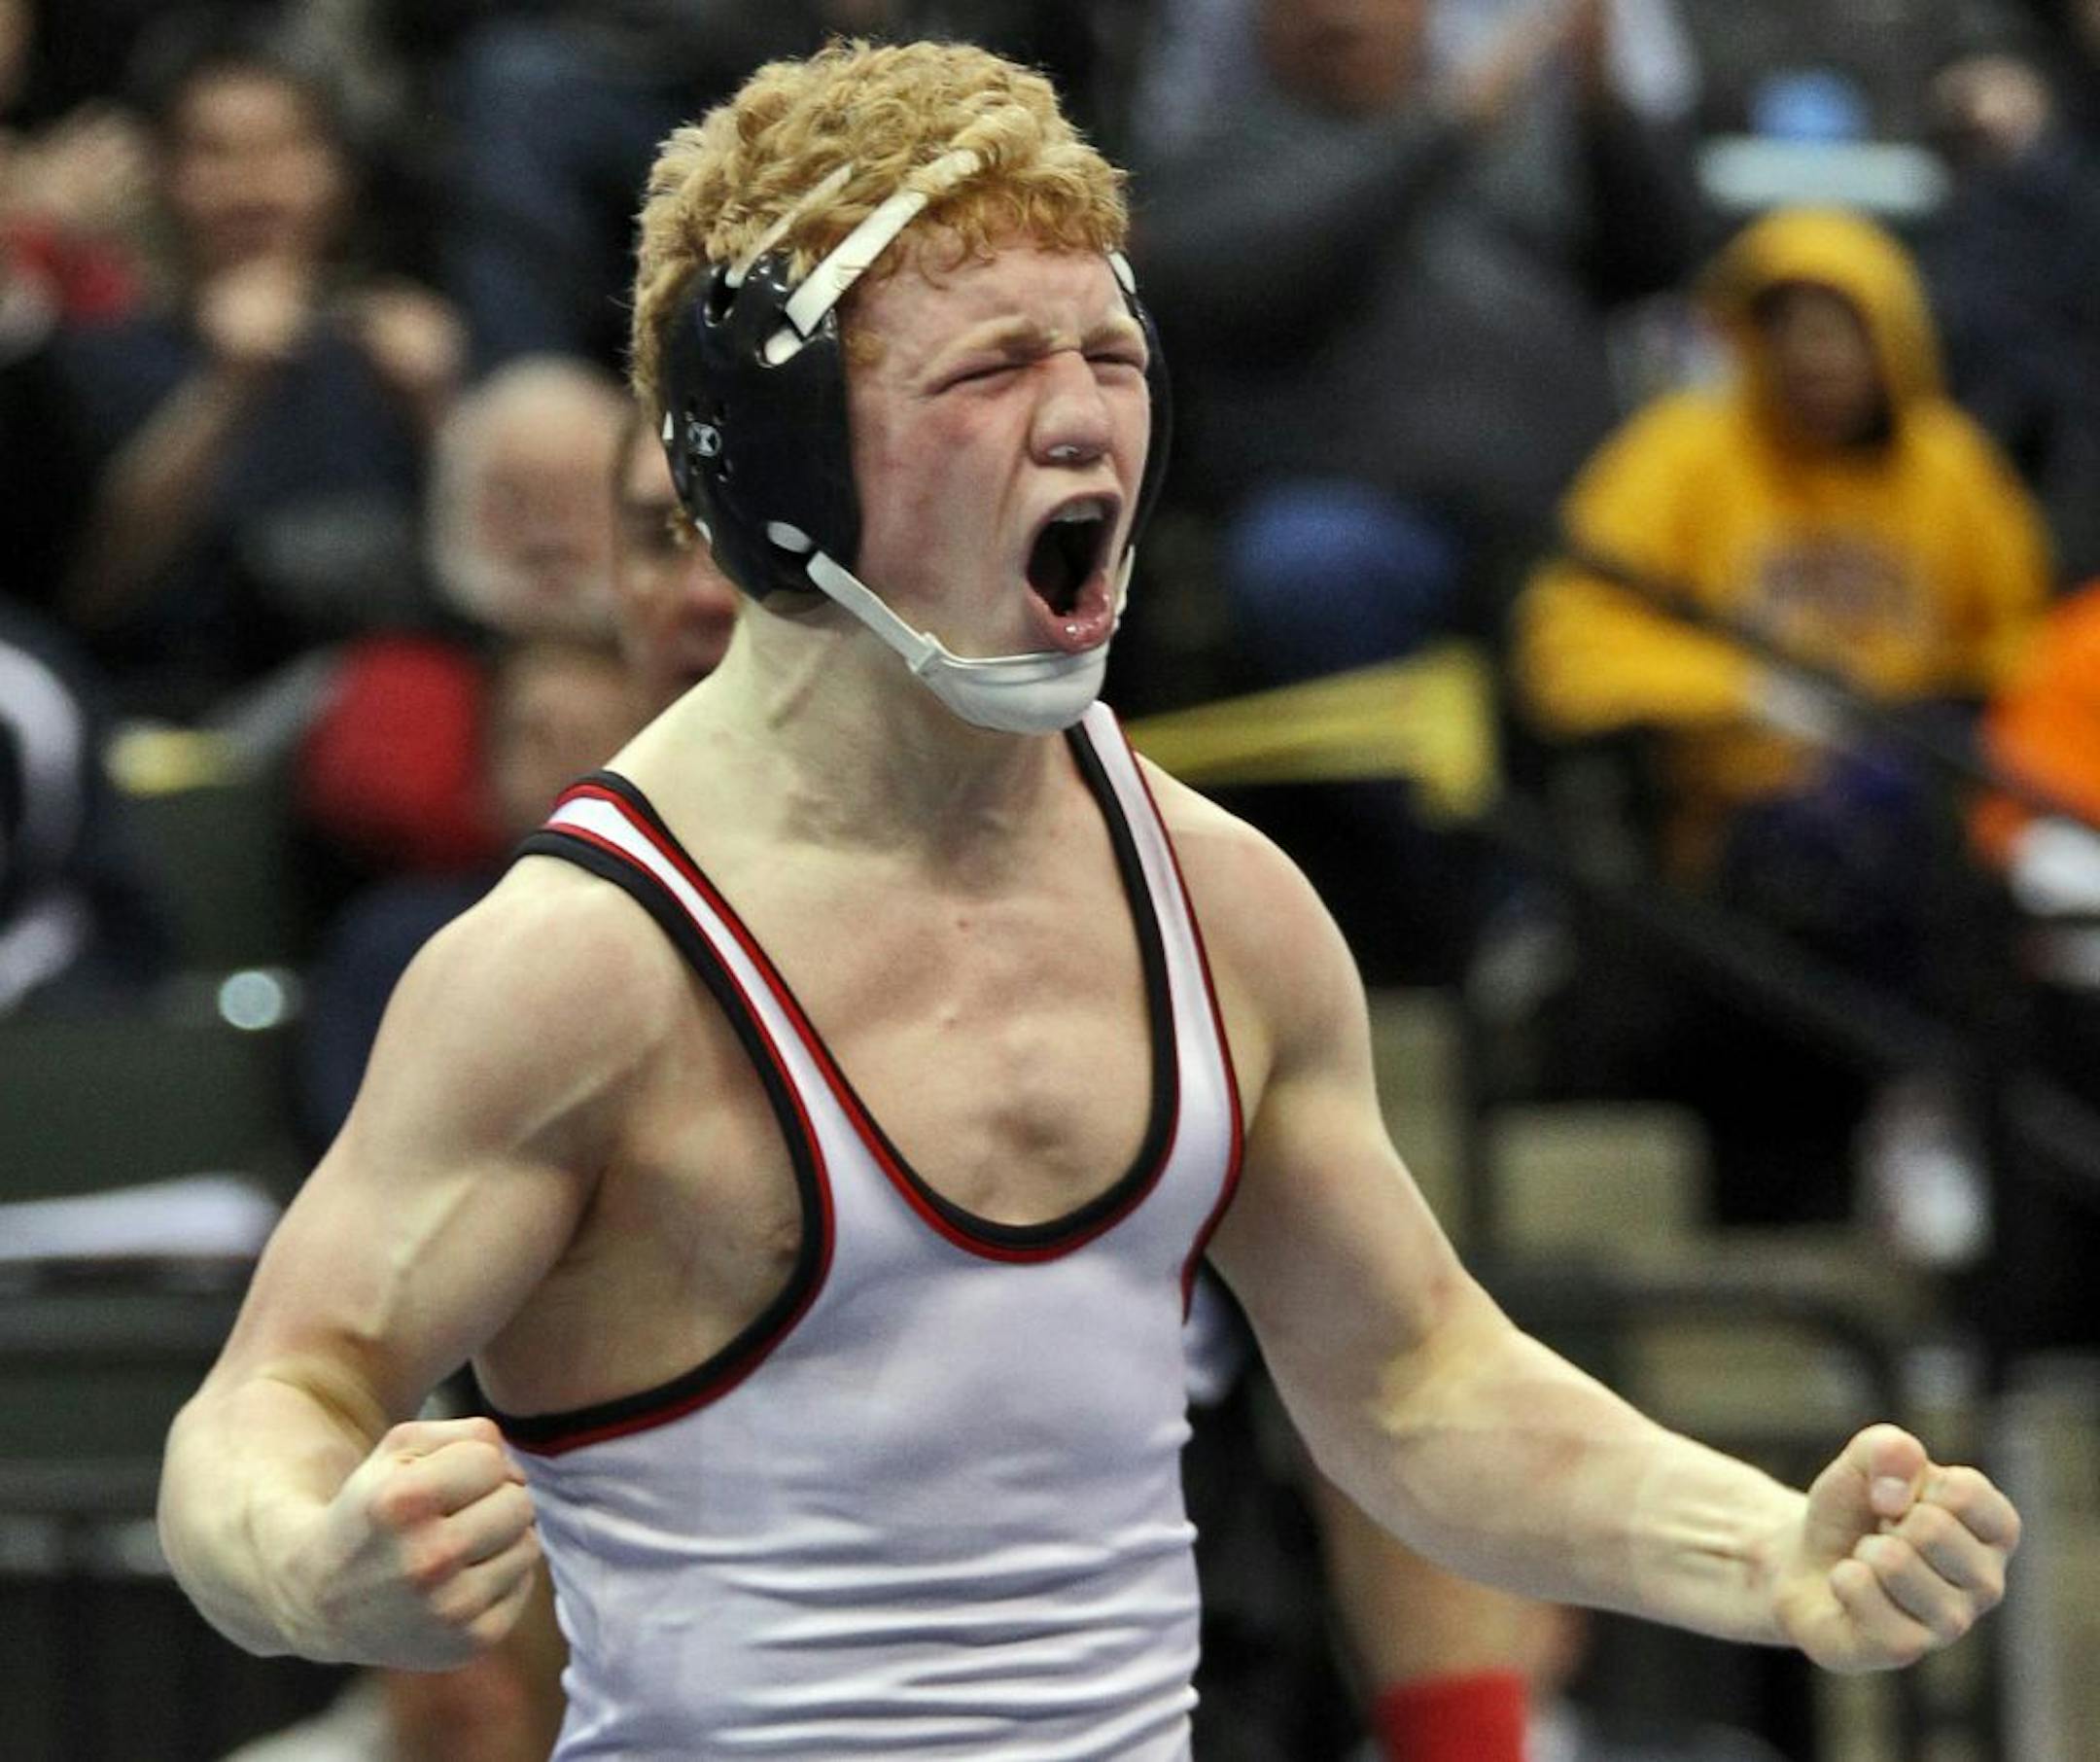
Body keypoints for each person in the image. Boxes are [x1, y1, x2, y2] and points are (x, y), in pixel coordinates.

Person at [158, 42, 2019, 1759]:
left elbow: (1418, 1382)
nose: (1084, 425)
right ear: (779, 462)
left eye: (1112, 359)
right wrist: (313, 1562)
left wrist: (1761, 1549)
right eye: (992, 369)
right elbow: (266, 1405)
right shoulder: (587, 966)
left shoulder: (1224, 906)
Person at [1512, 205, 2051, 1230]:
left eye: (1841, 329)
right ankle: (1898, 1127)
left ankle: (1922, 1120)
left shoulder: (1948, 465)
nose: (1816, 358)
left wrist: (1903, 718)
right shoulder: (1683, 453)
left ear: (1892, 337)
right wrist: (1747, 691)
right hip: (1731, 832)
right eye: (1789, 329)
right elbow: (1566, 643)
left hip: (1916, 820)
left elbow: (2024, 645)